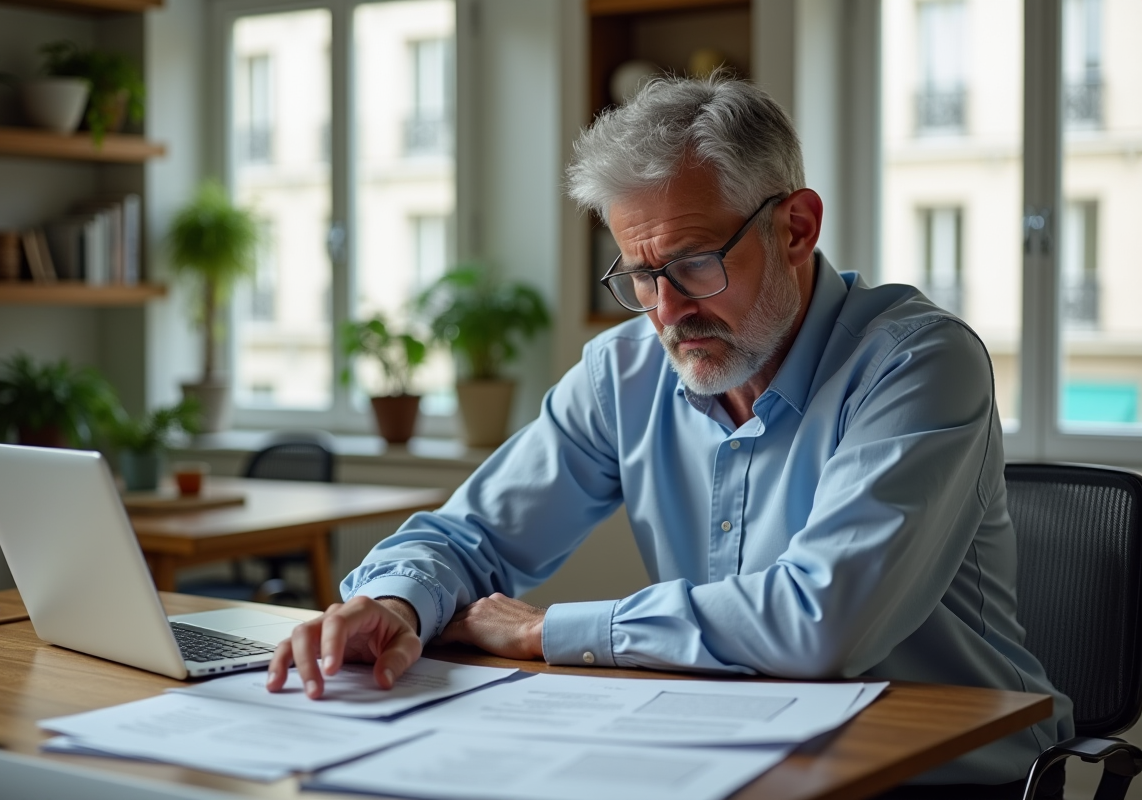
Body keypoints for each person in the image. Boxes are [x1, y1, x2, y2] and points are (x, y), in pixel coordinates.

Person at [267, 75, 1072, 790]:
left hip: (946, 772)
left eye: (692, 264)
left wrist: (547, 630)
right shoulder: (624, 372)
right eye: (641, 276)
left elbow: (823, 623)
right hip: (735, 754)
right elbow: (467, 535)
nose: (668, 312)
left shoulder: (918, 363)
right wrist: (394, 603)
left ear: (796, 228)